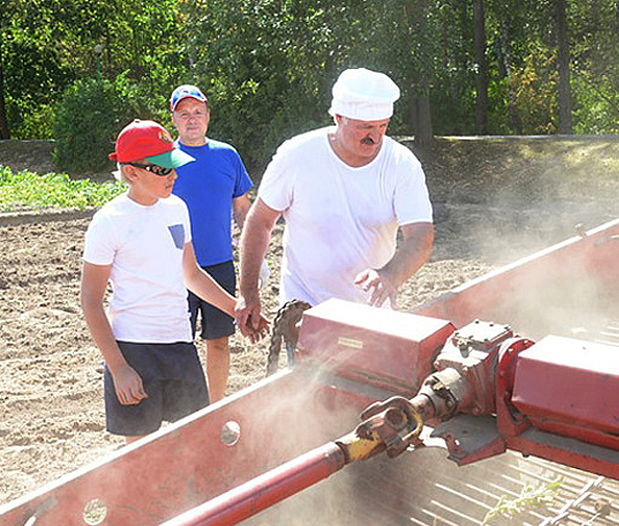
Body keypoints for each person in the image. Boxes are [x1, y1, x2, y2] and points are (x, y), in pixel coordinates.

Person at [80, 119, 267, 443]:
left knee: (195, 442)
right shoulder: (109, 222)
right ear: (131, 172)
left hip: (180, 344)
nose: (174, 176)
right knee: (140, 454)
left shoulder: (177, 208)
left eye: (173, 167)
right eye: (163, 170)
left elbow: (190, 274)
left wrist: (236, 307)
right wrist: (119, 367)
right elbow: (91, 301)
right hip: (133, 349)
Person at [234, 68, 434, 338]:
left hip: (372, 313)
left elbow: (420, 236)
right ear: (339, 117)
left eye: (382, 126)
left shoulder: (401, 164)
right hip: (305, 310)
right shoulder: (296, 155)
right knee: (309, 379)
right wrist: (248, 292)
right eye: (365, 127)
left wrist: (389, 275)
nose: (374, 137)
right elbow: (260, 221)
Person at [169, 84, 255, 403]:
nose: (192, 119)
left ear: (208, 116)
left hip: (219, 264)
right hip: (175, 267)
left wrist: (255, 260)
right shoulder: (165, 160)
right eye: (184, 114)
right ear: (174, 119)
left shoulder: (227, 155)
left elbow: (242, 210)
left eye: (198, 113)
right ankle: (184, 413)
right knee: (179, 345)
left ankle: (215, 406)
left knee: (219, 340)